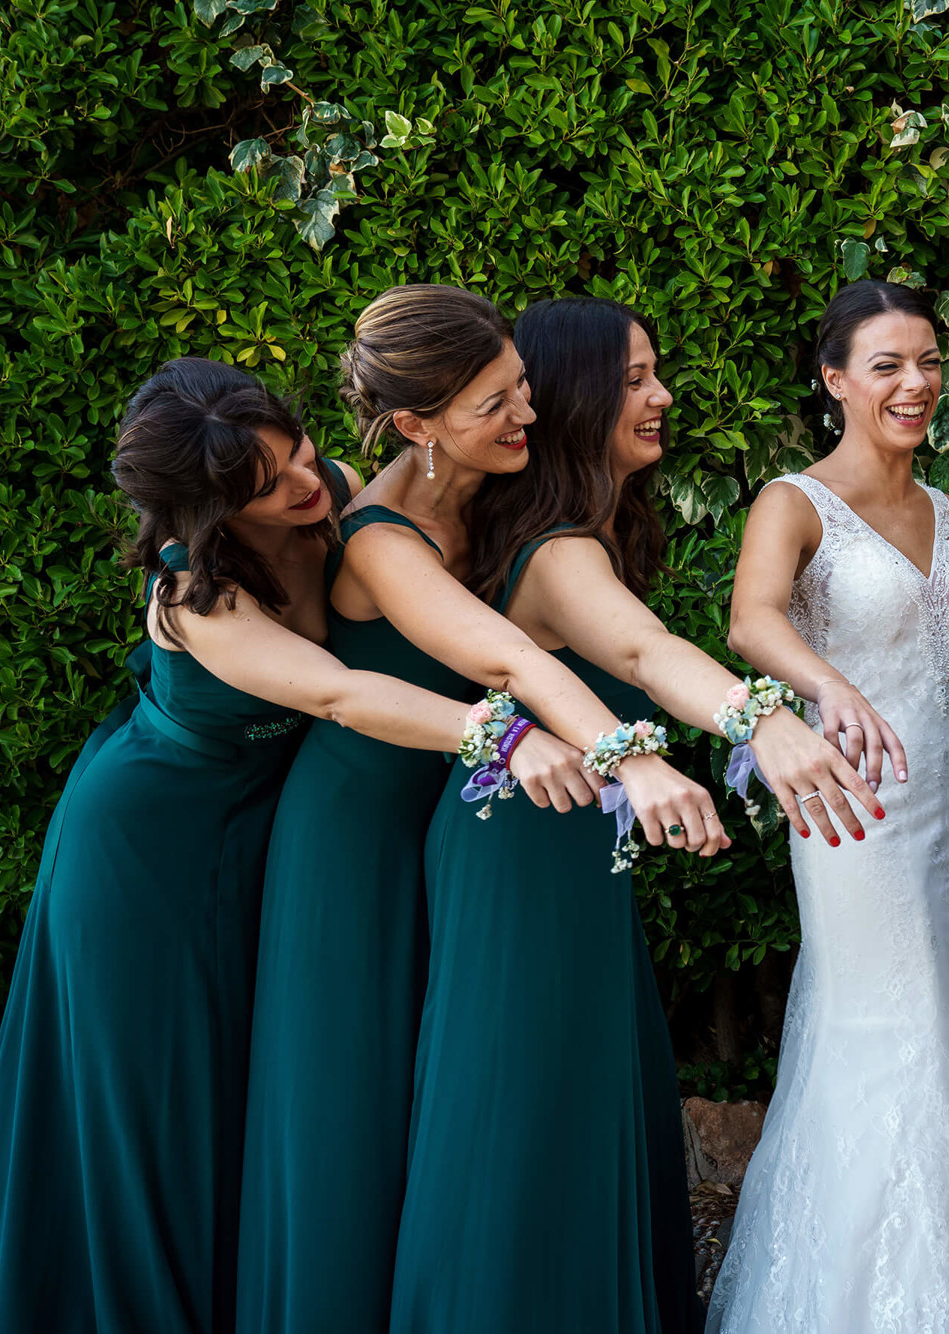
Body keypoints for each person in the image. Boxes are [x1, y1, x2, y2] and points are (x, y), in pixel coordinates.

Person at [0, 359, 585, 1334]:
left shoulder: (331, 490)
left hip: (268, 837)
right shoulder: (193, 597)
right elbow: (335, 691)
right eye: (262, 487)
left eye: (289, 451)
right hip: (144, 855)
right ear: (206, 515)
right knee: (153, 1103)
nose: (299, 483)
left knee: (254, 1080)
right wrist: (502, 731)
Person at [388, 297, 878, 1332]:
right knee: (523, 1113)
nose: (661, 397)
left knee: (573, 1104)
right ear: (578, 398)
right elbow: (648, 653)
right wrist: (766, 724)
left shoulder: (585, 531)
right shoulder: (559, 551)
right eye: (634, 380)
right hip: (517, 856)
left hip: (565, 851)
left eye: (657, 373)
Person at [239, 286, 711, 1334]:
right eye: (495, 403)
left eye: (525, 391)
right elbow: (500, 659)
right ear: (416, 425)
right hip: (358, 831)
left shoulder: (507, 503)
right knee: (354, 1106)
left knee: (454, 1095)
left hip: (462, 814)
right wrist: (629, 755)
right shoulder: (376, 532)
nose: (526, 418)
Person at [709, 280, 949, 1333]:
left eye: (929, 362)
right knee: (889, 1023)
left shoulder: (944, 504)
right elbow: (748, 619)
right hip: (853, 804)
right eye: (886, 365)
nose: (916, 384)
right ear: (834, 381)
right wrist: (830, 687)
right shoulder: (793, 499)